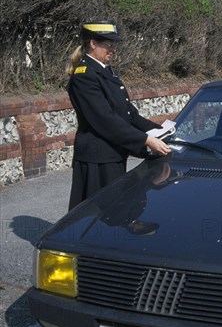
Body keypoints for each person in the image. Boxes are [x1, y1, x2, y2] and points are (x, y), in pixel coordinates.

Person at [66, 19, 171, 210]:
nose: (113, 49)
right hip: (97, 158)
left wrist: (162, 131)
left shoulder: (105, 71)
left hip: (112, 153)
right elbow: (105, 119)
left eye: (114, 45)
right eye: (108, 45)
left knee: (113, 211)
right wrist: (146, 140)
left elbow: (129, 115)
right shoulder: (85, 75)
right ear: (93, 43)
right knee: (96, 213)